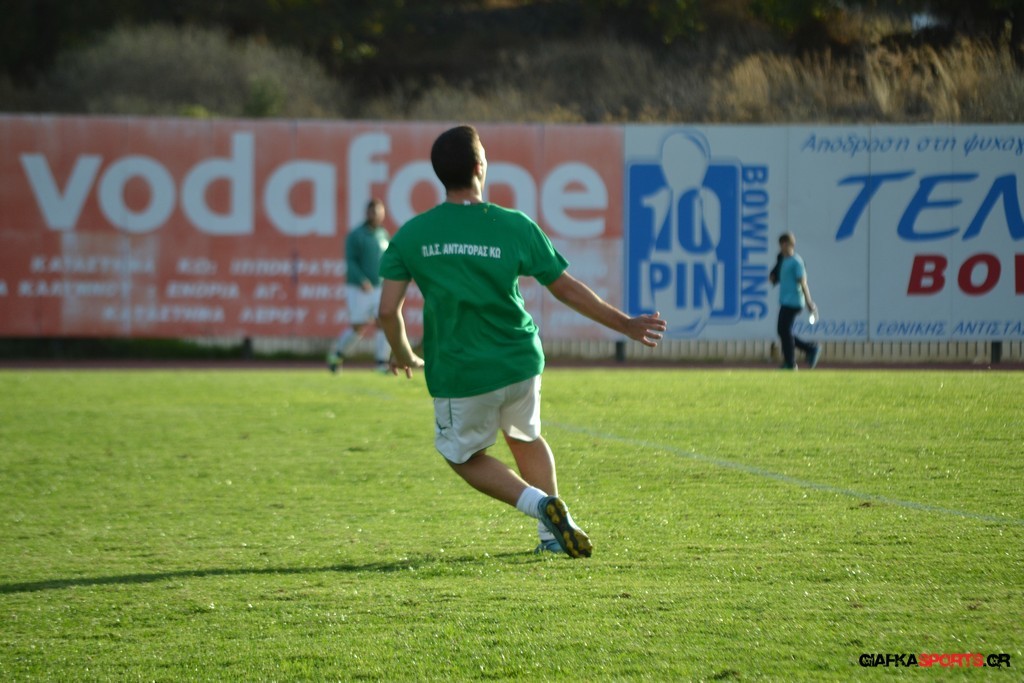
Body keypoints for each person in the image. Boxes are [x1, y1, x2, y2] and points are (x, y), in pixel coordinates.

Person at [377, 125, 667, 558]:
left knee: (462, 457)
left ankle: (540, 506)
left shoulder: (412, 234)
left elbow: (387, 311)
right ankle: (551, 536)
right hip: (520, 359)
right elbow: (566, 288)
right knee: (526, 437)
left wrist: (403, 353)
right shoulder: (513, 224)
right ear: (480, 166)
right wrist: (624, 324)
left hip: (462, 369)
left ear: (440, 174)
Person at [327, 198, 392, 373]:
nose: (376, 215)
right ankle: (337, 354)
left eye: (379, 212)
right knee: (358, 328)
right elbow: (351, 261)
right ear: (367, 213)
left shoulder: (383, 234)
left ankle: (381, 363)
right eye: (373, 212)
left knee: (384, 322)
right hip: (358, 288)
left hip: (379, 287)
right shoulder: (356, 235)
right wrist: (361, 279)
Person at [774, 232, 821, 370]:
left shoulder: (796, 261)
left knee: (784, 331)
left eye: (784, 244)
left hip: (794, 301)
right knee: (783, 331)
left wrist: (809, 302)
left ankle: (791, 362)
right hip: (785, 301)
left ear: (791, 245)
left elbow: (803, 283)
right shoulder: (783, 260)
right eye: (781, 245)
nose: (782, 247)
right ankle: (808, 350)